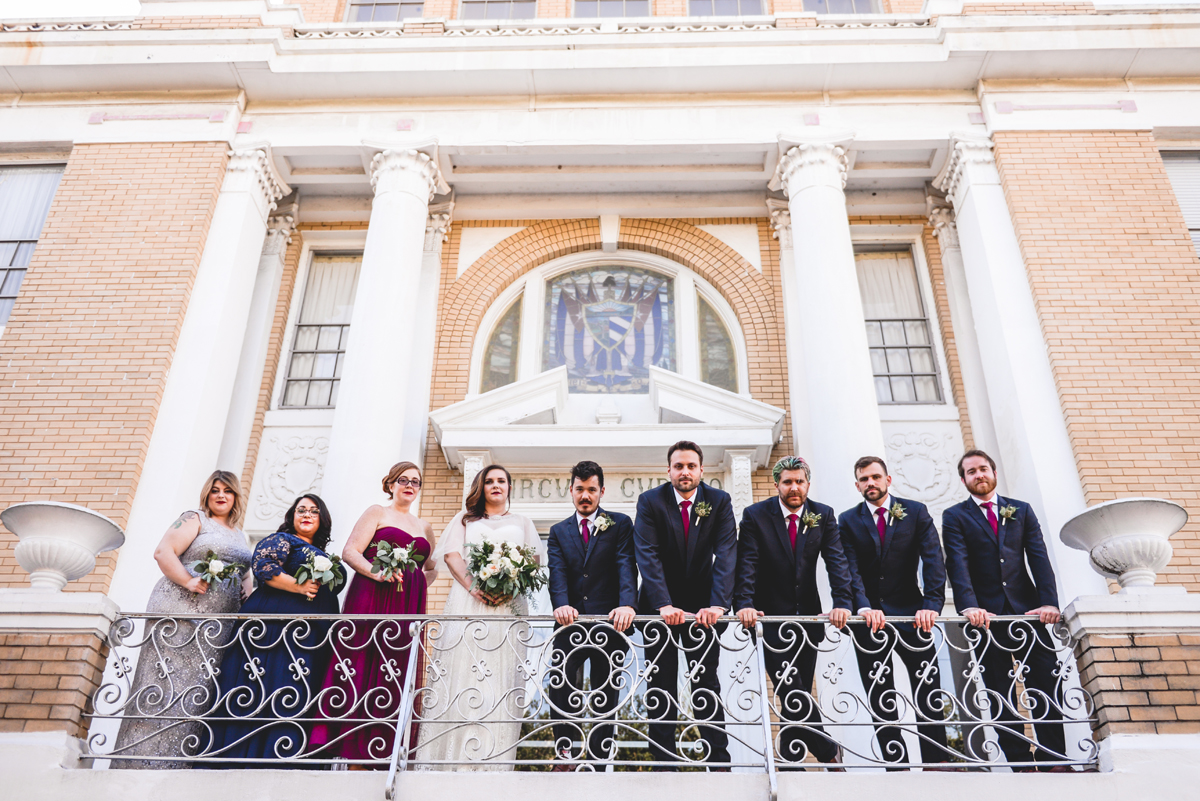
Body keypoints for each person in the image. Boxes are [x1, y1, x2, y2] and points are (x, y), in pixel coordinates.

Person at [113, 470, 252, 769]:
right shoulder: (194, 519)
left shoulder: (239, 534)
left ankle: (181, 763)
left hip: (218, 625)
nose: (220, 495)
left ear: (236, 497)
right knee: (164, 686)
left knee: (199, 690)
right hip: (182, 613)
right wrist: (188, 581)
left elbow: (245, 577)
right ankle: (140, 763)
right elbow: (164, 552)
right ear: (207, 494)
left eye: (227, 490)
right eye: (215, 490)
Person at [941, 449, 1068, 772]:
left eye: (983, 469)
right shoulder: (955, 516)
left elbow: (1038, 558)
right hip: (986, 619)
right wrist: (969, 606)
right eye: (971, 472)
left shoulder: (1021, 511)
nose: (979, 475)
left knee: (1045, 684)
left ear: (994, 473)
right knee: (999, 691)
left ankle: (1055, 759)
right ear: (963, 480)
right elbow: (958, 564)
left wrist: (1049, 602)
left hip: (1029, 614)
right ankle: (1020, 763)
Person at [414, 465, 545, 770]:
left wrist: (512, 584)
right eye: (489, 481)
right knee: (461, 670)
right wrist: (474, 587)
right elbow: (452, 555)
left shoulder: (522, 521)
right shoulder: (465, 519)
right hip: (469, 601)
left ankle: (491, 760)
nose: (496, 485)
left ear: (509, 487)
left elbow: (534, 559)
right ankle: (448, 759)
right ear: (481, 486)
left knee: (500, 676)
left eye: (501, 481)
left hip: (508, 604)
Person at [310, 462, 437, 767]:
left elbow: (430, 568)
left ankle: (382, 749)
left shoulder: (425, 527)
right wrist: (378, 574)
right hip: (372, 596)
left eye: (415, 482)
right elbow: (351, 552)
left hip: (406, 605)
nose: (409, 485)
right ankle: (350, 745)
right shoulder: (377, 512)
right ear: (391, 484)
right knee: (363, 658)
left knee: (395, 665)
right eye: (403, 480)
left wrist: (416, 583)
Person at [205, 494, 345, 766]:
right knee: (270, 684)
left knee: (298, 692)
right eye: (301, 510)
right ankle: (246, 756)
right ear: (292, 516)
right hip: (273, 630)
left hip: (311, 636)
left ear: (323, 519)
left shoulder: (327, 556)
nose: (306, 514)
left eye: (314, 511)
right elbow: (264, 567)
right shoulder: (282, 540)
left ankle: (288, 758)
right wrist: (299, 586)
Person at [734, 456, 853, 771]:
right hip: (768, 620)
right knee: (791, 686)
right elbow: (746, 564)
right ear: (777, 485)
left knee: (794, 693)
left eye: (799, 481)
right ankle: (827, 749)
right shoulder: (756, 516)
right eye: (787, 482)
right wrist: (744, 603)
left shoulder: (822, 515)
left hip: (808, 621)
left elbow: (837, 561)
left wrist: (843, 601)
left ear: (807, 484)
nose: (794, 487)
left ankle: (791, 763)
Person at [838, 456, 950, 769]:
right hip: (869, 621)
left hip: (912, 615)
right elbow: (850, 569)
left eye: (875, 477)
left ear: (888, 480)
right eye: (864, 479)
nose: (870, 483)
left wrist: (931, 605)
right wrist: (863, 607)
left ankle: (938, 760)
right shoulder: (847, 520)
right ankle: (895, 763)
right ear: (857, 484)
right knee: (879, 693)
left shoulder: (915, 512)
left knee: (928, 686)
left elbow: (933, 560)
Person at [632, 441, 736, 769]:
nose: (685, 472)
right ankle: (663, 764)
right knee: (660, 683)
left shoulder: (719, 502)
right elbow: (646, 554)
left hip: (703, 609)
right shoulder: (650, 501)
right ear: (669, 471)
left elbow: (727, 554)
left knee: (706, 682)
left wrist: (718, 605)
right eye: (679, 466)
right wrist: (663, 604)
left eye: (691, 466)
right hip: (657, 610)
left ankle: (718, 762)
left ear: (701, 470)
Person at [545, 460, 638, 767]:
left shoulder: (620, 524)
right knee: (560, 685)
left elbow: (626, 564)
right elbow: (556, 571)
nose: (586, 496)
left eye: (592, 490)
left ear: (601, 491)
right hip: (569, 624)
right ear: (570, 490)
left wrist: (628, 604)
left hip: (610, 624)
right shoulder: (558, 531)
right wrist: (560, 603)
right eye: (580, 489)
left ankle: (600, 759)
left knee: (606, 692)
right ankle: (565, 753)